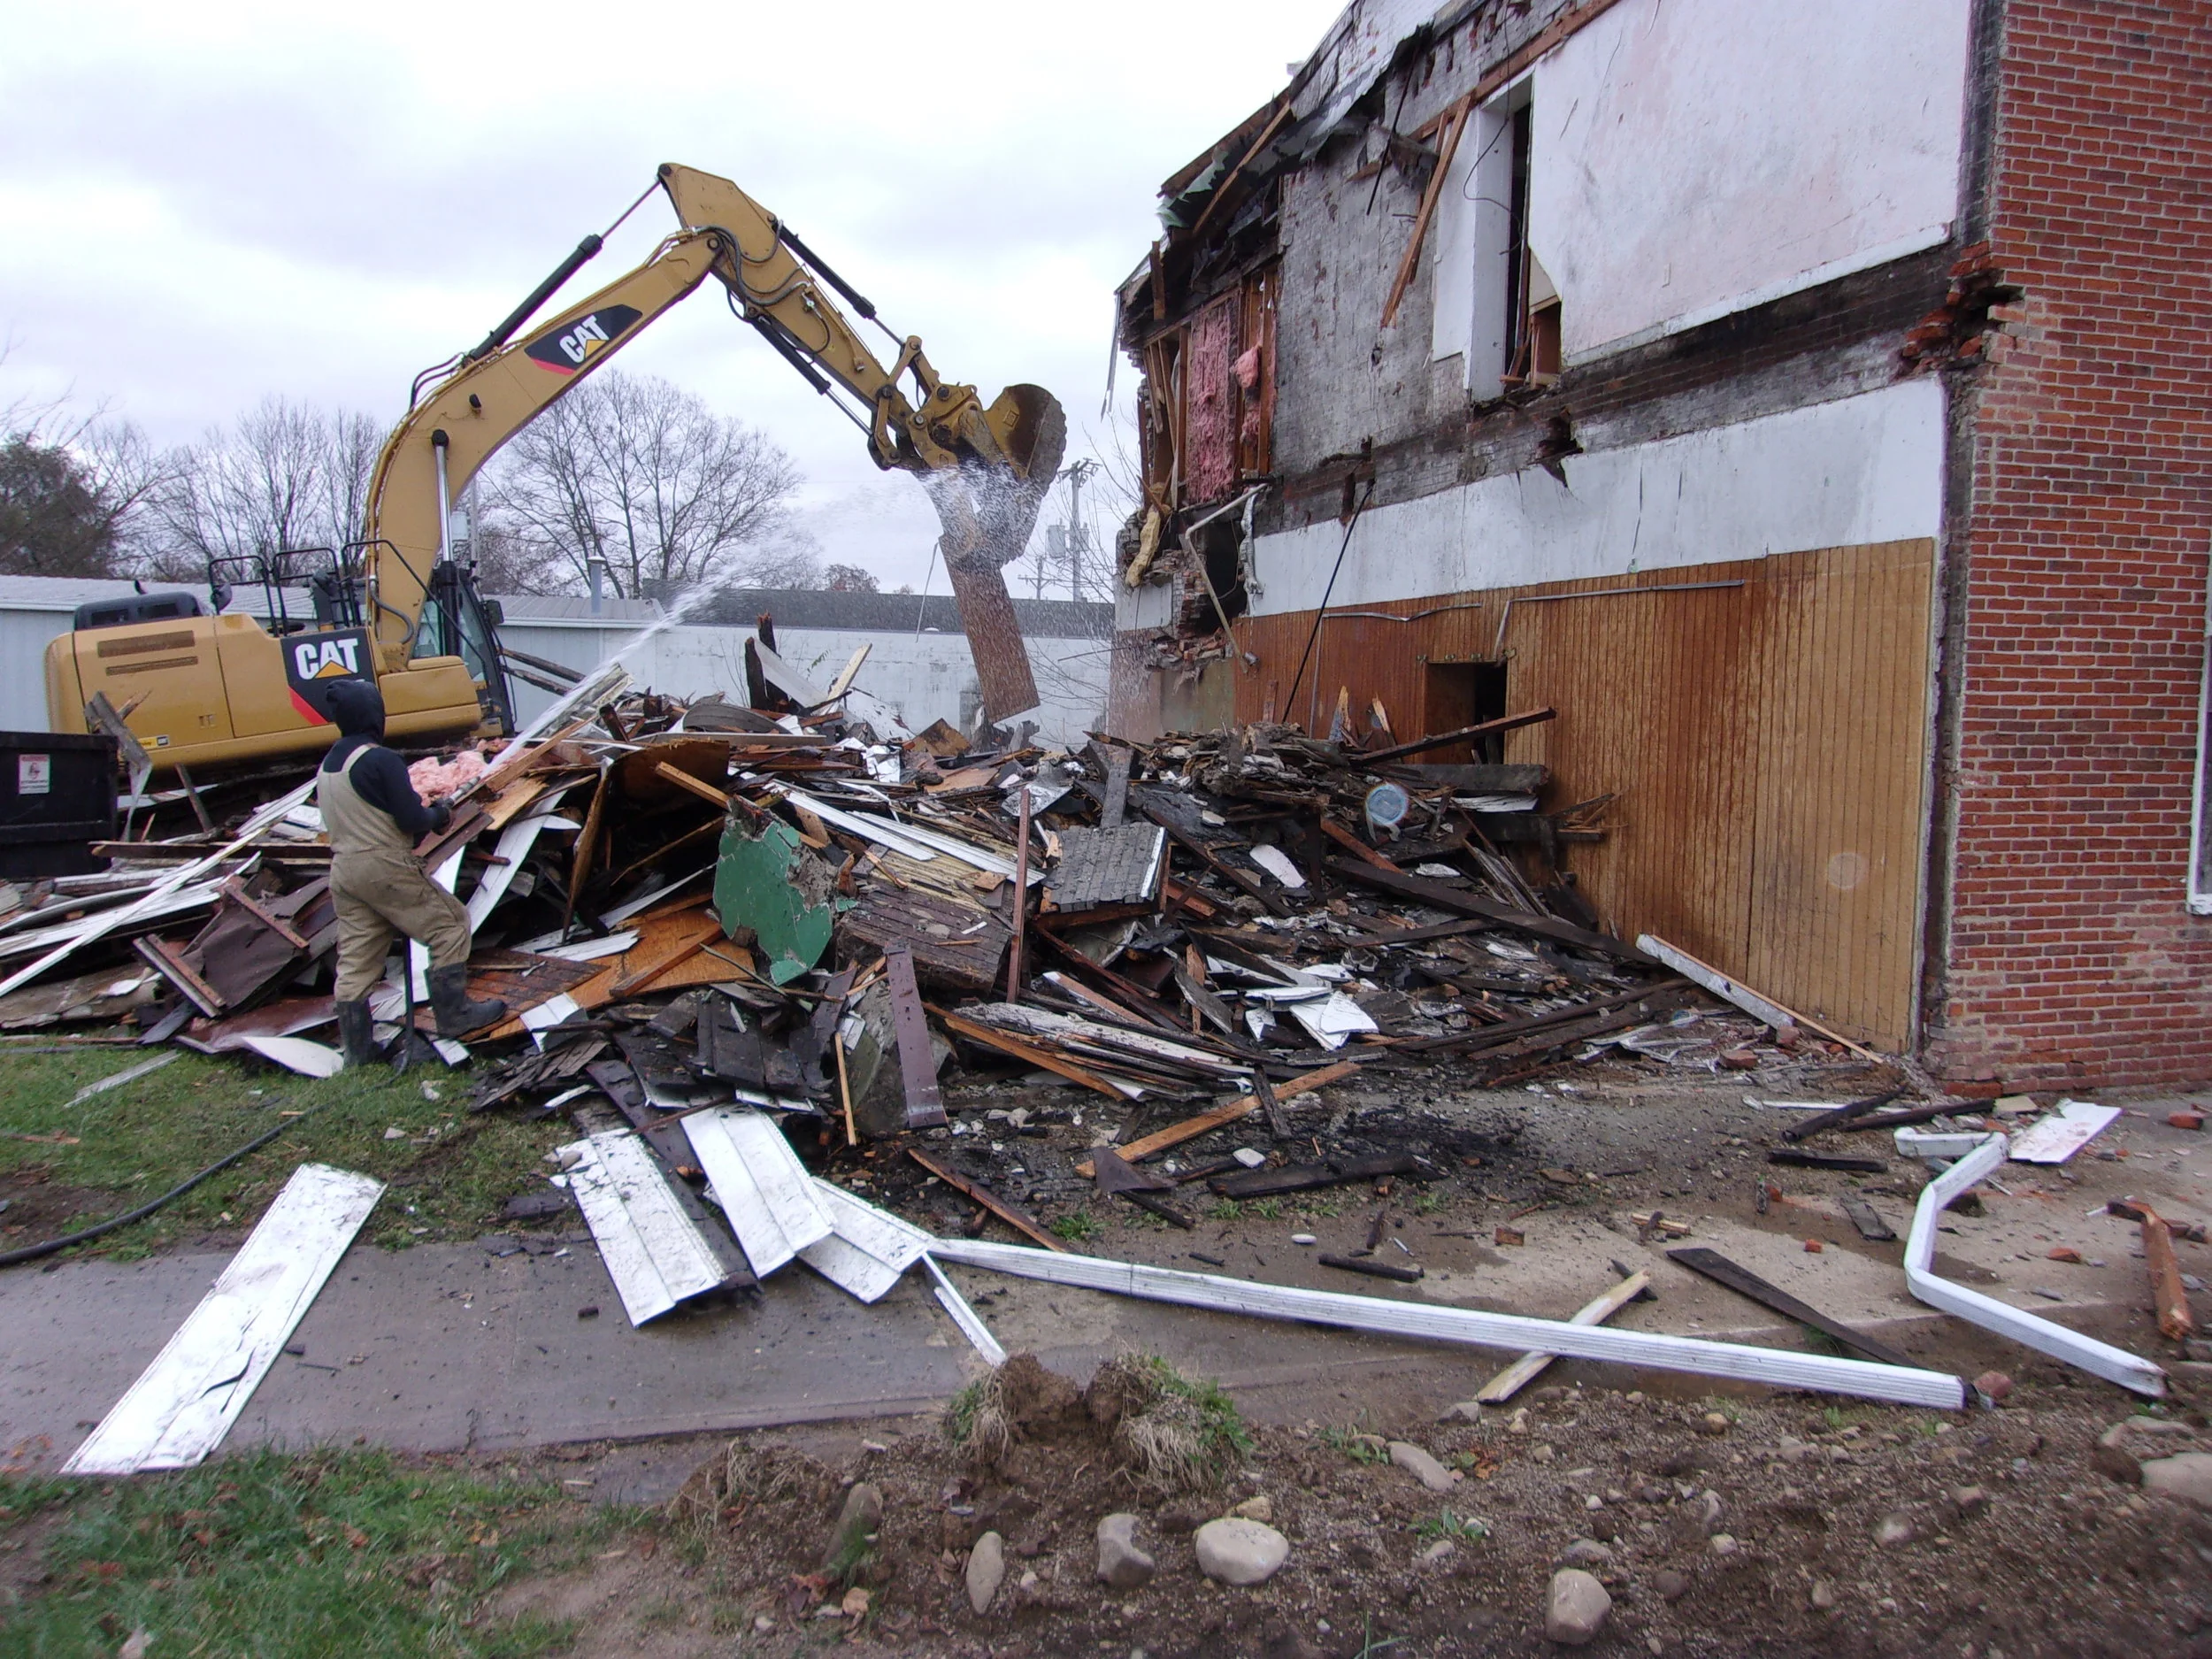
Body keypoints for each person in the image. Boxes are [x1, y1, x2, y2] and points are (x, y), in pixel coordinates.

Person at [319, 678, 504, 1064]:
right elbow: (410, 819)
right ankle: (455, 1016)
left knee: (356, 959)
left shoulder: (330, 763)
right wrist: (437, 815)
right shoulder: (379, 759)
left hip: (345, 871)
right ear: (374, 715)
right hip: (383, 865)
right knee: (449, 925)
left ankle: (358, 1052)